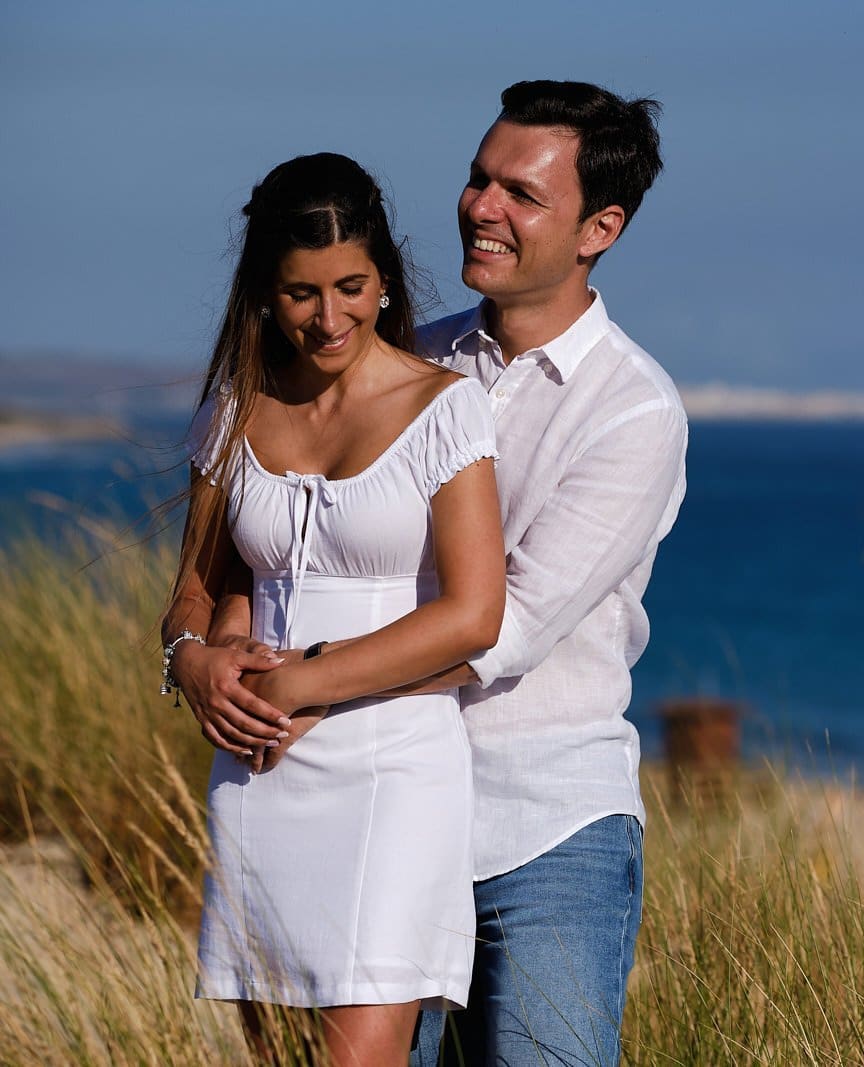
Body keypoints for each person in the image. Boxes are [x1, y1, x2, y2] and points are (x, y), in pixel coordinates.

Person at [172, 82, 687, 1066]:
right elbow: (275, 545)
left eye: (520, 194)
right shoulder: (399, 353)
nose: (481, 207)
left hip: (540, 826)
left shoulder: (632, 411)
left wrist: (290, 683)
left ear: (600, 227)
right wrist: (205, 650)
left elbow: (502, 627)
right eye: (477, 178)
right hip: (353, 784)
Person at [161, 152, 505, 1067]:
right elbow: (195, 592)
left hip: (393, 768)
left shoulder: (445, 410)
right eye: (300, 293)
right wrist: (194, 661)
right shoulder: (236, 409)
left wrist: (304, 684)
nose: (328, 318)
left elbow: (475, 614)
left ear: (384, 280)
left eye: (350, 287)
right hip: (259, 770)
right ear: (265, 294)